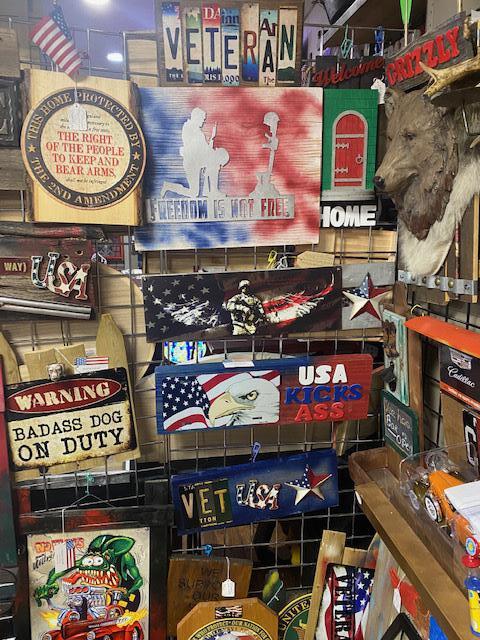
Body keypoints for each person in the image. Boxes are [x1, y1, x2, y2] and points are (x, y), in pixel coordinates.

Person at [160, 107, 229, 198]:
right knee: (193, 193)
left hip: (197, 160)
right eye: (203, 119)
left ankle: (212, 191)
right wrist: (212, 152)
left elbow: (205, 150)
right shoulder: (189, 128)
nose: (203, 121)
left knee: (214, 162)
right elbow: (197, 149)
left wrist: (212, 138)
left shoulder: (197, 131)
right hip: (191, 162)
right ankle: (168, 186)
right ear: (196, 117)